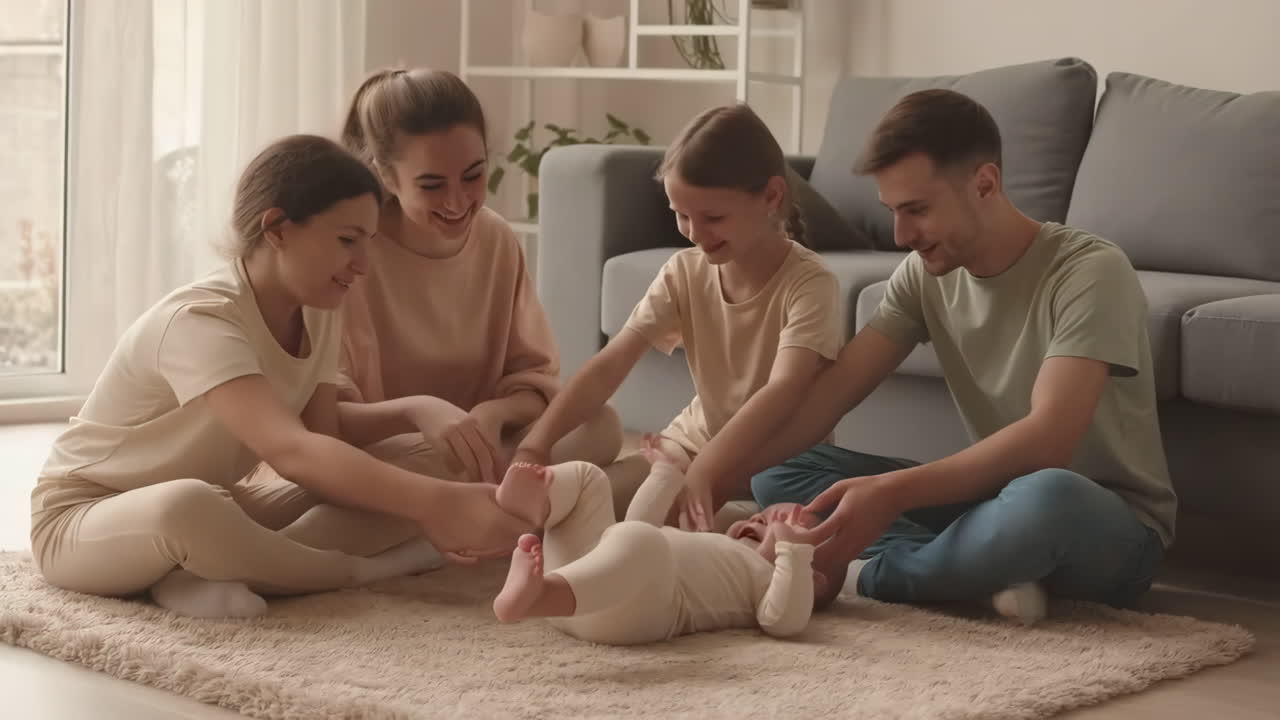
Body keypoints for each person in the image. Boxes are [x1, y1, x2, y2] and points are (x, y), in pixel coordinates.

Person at [682, 89, 1176, 625]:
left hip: (1102, 522)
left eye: (916, 210)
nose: (901, 236)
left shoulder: (1090, 271)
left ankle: (857, 575)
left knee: (1044, 497)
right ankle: (971, 570)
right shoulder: (922, 276)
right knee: (780, 470)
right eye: (893, 211)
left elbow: (1049, 440)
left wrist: (890, 494)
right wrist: (708, 478)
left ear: (985, 184)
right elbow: (827, 398)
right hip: (994, 501)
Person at [29, 135, 528, 619]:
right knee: (186, 506)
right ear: (277, 229)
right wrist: (435, 506)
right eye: (347, 240)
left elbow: (324, 439)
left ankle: (213, 568)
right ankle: (360, 570)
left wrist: (417, 414)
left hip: (223, 501)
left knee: (426, 458)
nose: (363, 264)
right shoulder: (201, 320)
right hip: (85, 517)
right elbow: (292, 452)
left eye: (369, 242)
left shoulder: (318, 308)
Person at [514, 103, 842, 524]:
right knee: (572, 506)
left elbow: (784, 389)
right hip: (688, 450)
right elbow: (612, 363)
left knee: (688, 539)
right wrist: (533, 448)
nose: (694, 233)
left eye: (713, 217)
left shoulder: (811, 284)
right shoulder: (683, 272)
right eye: (681, 215)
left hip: (775, 470)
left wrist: (707, 470)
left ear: (772, 197)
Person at [332, 68, 622, 484]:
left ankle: (479, 510)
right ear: (384, 174)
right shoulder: (352, 250)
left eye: (473, 175)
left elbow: (535, 380)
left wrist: (494, 414)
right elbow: (331, 417)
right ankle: (512, 507)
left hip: (487, 446)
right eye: (432, 185)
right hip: (391, 453)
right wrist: (424, 416)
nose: (457, 201)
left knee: (602, 425)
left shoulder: (496, 238)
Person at [490, 436, 829, 644]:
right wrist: (666, 475)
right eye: (765, 513)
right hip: (586, 579)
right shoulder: (708, 543)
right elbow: (639, 528)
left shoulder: (763, 578)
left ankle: (538, 596)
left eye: (787, 525)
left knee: (639, 538)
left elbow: (784, 622)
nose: (762, 517)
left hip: (624, 616)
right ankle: (535, 504)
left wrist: (793, 554)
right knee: (589, 479)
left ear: (813, 581)